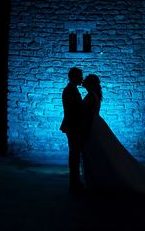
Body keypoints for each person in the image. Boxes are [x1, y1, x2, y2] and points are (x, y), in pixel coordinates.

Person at [81, 74, 145, 194]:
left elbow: (89, 115)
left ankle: (99, 181)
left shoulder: (91, 96)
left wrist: (85, 130)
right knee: (103, 152)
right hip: (97, 124)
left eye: (86, 81)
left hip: (93, 126)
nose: (83, 83)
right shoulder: (94, 95)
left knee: (99, 152)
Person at [59, 66, 85, 194]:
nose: (82, 78)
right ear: (75, 77)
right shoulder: (70, 90)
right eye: (80, 76)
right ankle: (74, 184)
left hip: (73, 126)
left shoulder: (71, 89)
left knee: (75, 154)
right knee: (74, 154)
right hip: (73, 126)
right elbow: (74, 111)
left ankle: (75, 182)